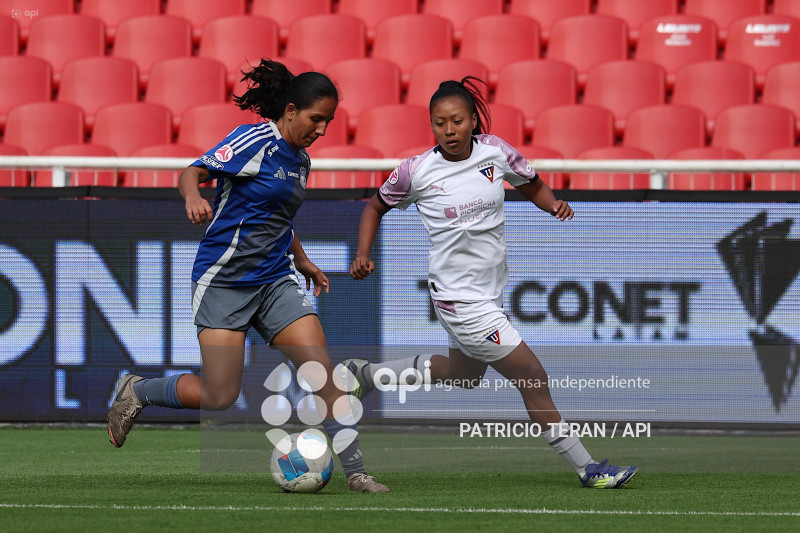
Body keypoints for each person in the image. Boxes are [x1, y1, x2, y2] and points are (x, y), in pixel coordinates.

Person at [107, 59, 389, 493]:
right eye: (317, 119)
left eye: (329, 122)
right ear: (291, 110)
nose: (322, 129)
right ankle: (138, 390)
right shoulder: (254, 140)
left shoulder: (301, 162)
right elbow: (192, 172)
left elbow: (277, 219)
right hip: (224, 283)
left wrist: (304, 259)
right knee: (219, 396)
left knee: (323, 375)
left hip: (275, 282)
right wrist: (192, 197)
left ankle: (356, 473)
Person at [347, 77, 637, 489]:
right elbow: (374, 208)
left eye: (457, 121)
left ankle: (367, 376)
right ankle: (588, 469)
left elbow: (531, 183)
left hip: (486, 294)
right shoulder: (415, 171)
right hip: (459, 299)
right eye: (439, 123)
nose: (449, 131)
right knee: (533, 377)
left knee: (463, 374)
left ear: (472, 121)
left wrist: (551, 203)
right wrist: (362, 254)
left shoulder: (495, 153)